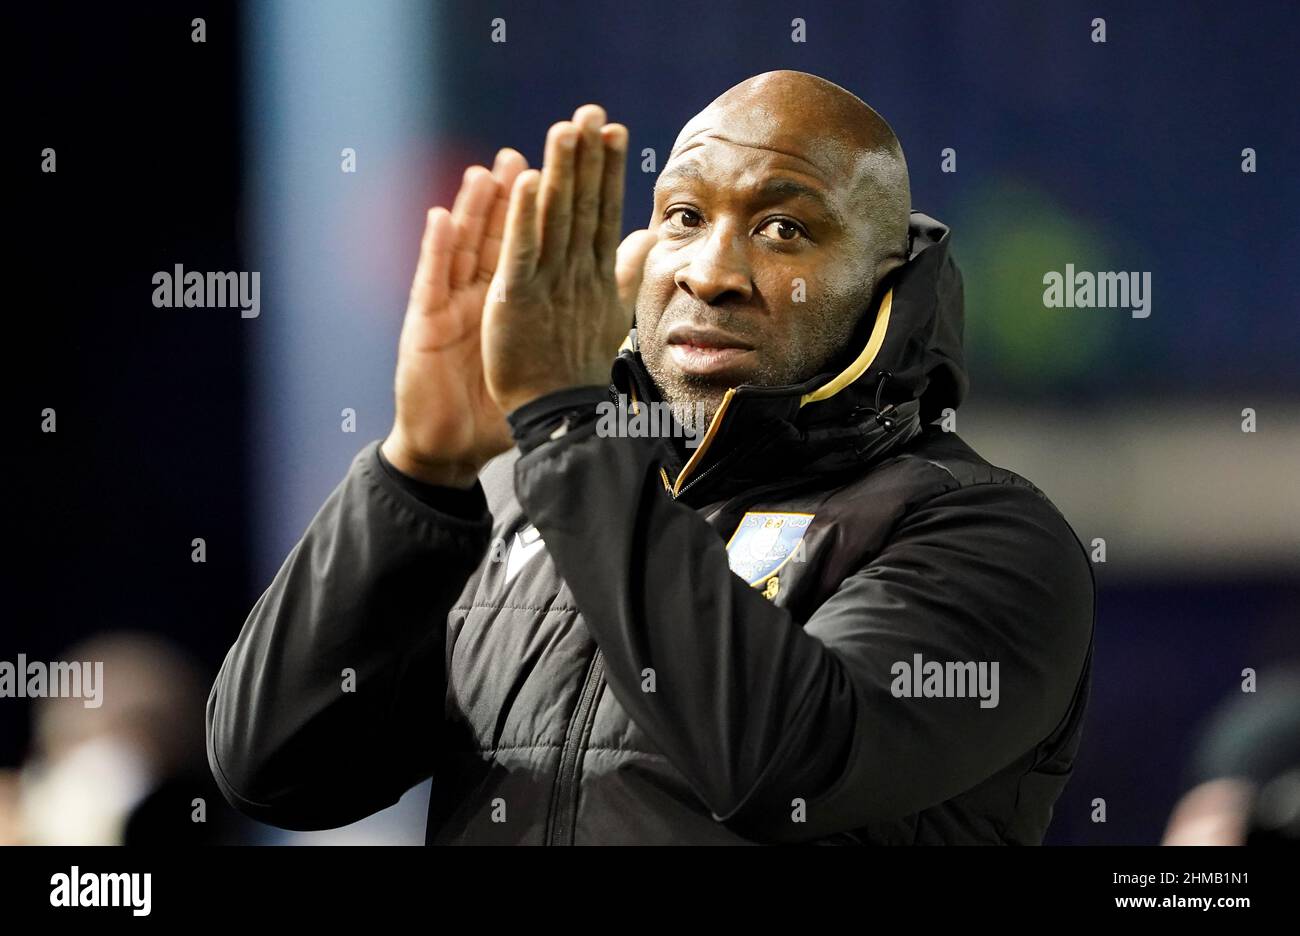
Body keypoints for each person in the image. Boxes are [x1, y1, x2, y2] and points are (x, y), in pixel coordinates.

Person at [207, 70, 1095, 844]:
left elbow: (786, 764)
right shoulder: (531, 506)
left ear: (885, 282)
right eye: (684, 215)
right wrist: (420, 470)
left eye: (785, 229)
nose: (712, 271)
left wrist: (564, 429)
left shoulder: (985, 535)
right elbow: (276, 767)